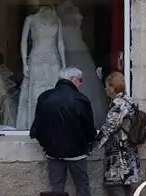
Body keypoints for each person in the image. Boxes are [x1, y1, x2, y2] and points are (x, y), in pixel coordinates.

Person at [30, 66, 97, 196]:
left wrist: (46, 144)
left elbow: (38, 127)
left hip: (53, 152)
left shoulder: (45, 97)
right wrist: (87, 143)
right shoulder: (80, 99)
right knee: (82, 186)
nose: (81, 83)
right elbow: (89, 129)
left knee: (56, 187)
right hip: (77, 152)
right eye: (80, 80)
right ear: (72, 79)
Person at [91, 71, 142, 196]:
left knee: (116, 188)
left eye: (107, 86)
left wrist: (91, 146)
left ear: (113, 87)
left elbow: (108, 129)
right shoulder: (130, 101)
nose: (106, 88)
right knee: (127, 188)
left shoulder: (119, 105)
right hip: (129, 152)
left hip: (119, 155)